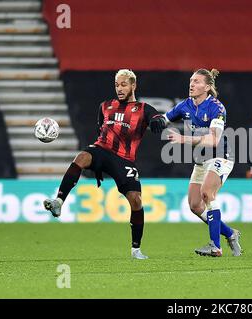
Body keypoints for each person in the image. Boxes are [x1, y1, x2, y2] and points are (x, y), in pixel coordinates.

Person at [43, 69, 167, 260]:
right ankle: (58, 201)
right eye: (117, 85)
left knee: (136, 200)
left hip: (124, 158)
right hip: (102, 149)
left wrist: (158, 121)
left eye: (124, 84)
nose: (119, 88)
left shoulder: (143, 108)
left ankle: (136, 249)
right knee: (81, 157)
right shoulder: (105, 106)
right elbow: (101, 127)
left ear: (133, 85)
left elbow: (155, 118)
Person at [160, 68, 242, 257]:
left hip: (221, 156)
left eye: (197, 81)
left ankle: (215, 246)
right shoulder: (185, 105)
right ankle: (230, 233)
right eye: (191, 80)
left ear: (207, 86)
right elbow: (163, 119)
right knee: (195, 205)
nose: (192, 84)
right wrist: (152, 121)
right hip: (201, 160)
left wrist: (183, 139)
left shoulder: (217, 107)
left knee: (207, 193)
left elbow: (214, 140)